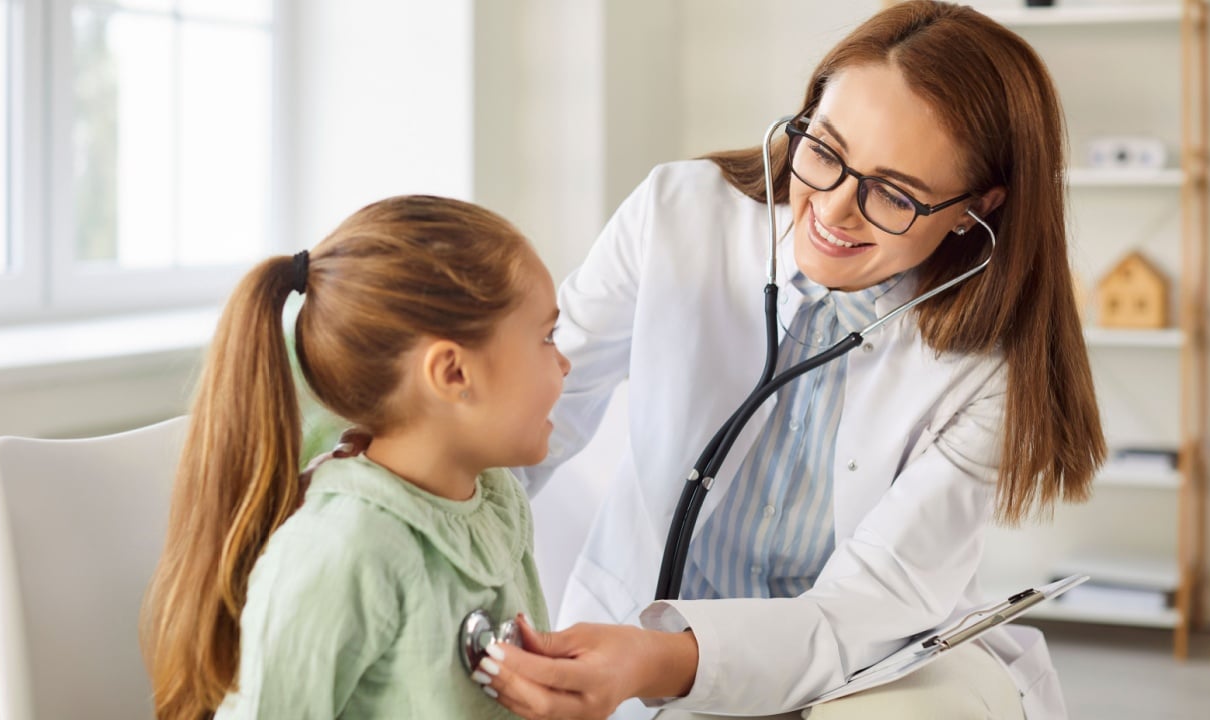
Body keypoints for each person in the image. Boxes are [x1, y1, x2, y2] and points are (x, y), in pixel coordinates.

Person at [475, 2, 1105, 719]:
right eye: (826, 152)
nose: (834, 211)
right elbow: (529, 420)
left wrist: (665, 660)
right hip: (640, 647)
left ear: (973, 209)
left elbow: (862, 609)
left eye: (895, 194)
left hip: (867, 667)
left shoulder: (989, 368)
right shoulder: (676, 218)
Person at [139, 195, 571, 719]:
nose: (566, 363)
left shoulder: (497, 501)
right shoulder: (343, 550)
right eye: (548, 337)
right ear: (453, 373)